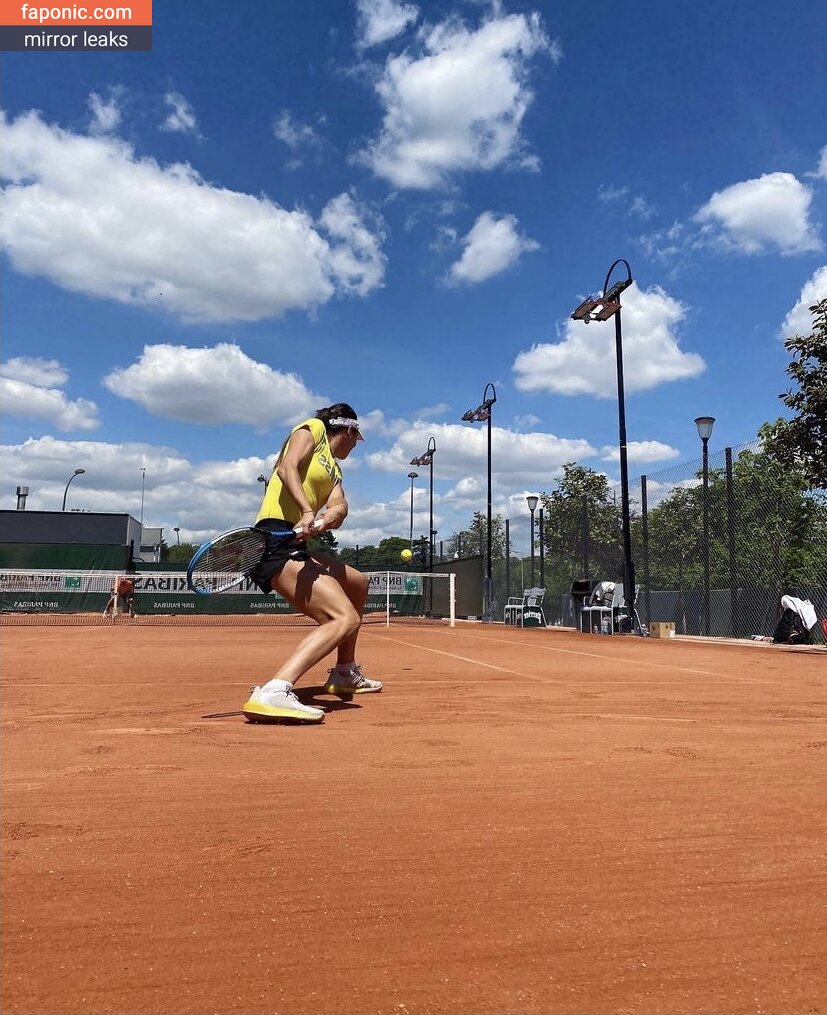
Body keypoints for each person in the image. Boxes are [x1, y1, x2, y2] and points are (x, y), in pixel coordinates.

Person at [242, 403, 381, 724]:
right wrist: (307, 511)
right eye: (356, 439)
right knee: (343, 618)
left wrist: (325, 520)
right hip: (273, 538)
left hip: (296, 543)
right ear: (349, 431)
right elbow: (286, 468)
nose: (355, 447)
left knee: (358, 583)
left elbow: (339, 506)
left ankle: (344, 671)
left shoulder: (335, 470)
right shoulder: (312, 430)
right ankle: (274, 691)